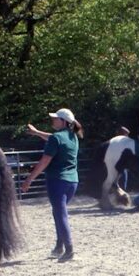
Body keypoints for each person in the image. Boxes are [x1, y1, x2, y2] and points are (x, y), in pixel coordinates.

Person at [22, 108, 82, 261]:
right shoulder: (73, 136)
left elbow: (44, 162)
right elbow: (51, 137)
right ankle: (59, 246)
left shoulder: (57, 138)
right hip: (72, 182)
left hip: (57, 181)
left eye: (56, 118)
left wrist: (30, 179)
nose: (53, 120)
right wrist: (36, 132)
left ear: (63, 121)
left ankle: (69, 249)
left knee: (61, 214)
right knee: (58, 212)